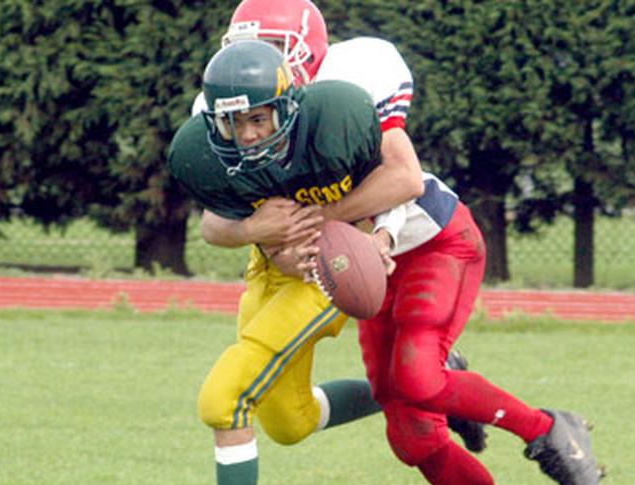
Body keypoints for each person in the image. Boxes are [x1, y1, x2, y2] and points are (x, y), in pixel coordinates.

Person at [170, 41, 604, 485]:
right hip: (364, 269)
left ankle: (550, 430)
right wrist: (264, 238)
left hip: (430, 244)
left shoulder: (343, 108)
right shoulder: (232, 137)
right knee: (412, 440)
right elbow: (226, 222)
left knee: (418, 379)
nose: (247, 134)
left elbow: (403, 180)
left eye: (257, 117)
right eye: (233, 119)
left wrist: (356, 230)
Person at [194, 0, 489, 455]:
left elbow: (401, 178)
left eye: (270, 46)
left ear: (305, 50)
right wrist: (261, 231)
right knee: (290, 424)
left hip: (358, 244)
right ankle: (430, 384)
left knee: (226, 393)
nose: (256, 61)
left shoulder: (346, 90)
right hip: (285, 258)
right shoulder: (223, 109)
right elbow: (214, 224)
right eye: (248, 47)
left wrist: (313, 224)